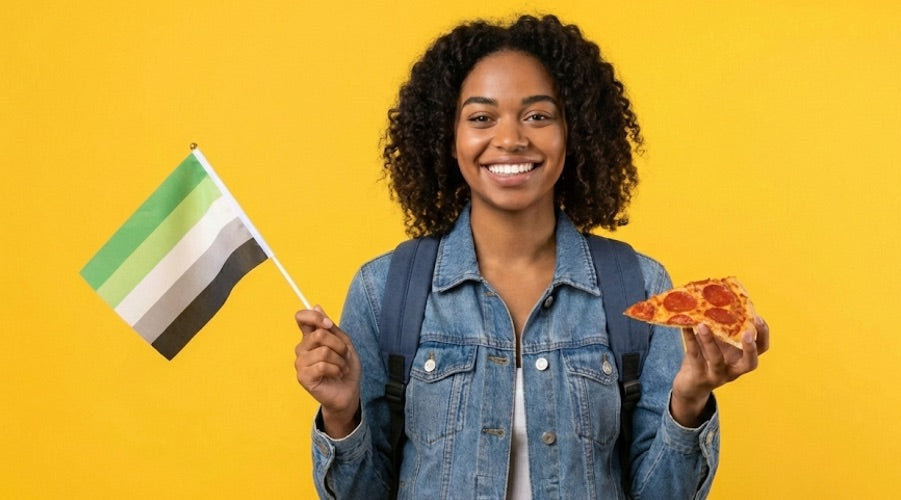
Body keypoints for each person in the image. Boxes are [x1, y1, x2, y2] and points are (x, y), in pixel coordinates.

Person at [294, 14, 769, 500]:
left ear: (573, 131)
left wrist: (689, 400)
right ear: (448, 137)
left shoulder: (638, 286)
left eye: (538, 116)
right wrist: (341, 415)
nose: (511, 139)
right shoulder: (385, 290)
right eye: (481, 118)